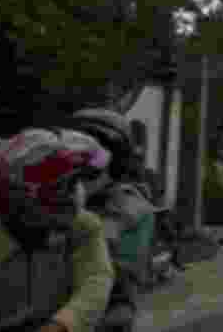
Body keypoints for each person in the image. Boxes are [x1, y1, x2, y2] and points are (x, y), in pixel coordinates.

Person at [0, 128, 116, 332]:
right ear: (22, 196)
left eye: (74, 184)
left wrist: (61, 325)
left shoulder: (83, 227)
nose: (73, 196)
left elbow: (96, 280)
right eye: (63, 187)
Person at [67, 109, 161, 326]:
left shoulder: (130, 208)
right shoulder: (61, 196)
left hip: (105, 314)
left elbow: (115, 273)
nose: (81, 166)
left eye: (91, 157)